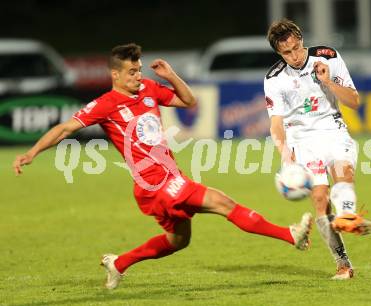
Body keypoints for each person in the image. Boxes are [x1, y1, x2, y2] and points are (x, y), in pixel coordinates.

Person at [13, 43, 313, 290]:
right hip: (153, 184)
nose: (137, 75)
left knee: (178, 241)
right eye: (131, 72)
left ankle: (119, 263)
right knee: (223, 202)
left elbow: (189, 101)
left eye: (139, 69)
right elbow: (65, 129)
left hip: (170, 176)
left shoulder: (148, 90)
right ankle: (291, 235)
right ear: (115, 75)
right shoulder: (104, 104)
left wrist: (171, 75)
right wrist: (32, 152)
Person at [264, 19, 371, 280]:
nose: (293, 55)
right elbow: (276, 124)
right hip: (301, 139)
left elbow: (354, 101)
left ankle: (347, 214)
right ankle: (343, 264)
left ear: (301, 38)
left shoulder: (328, 57)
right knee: (319, 200)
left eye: (296, 47)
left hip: (332, 129)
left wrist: (328, 82)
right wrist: (285, 156)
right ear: (278, 53)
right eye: (286, 52)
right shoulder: (274, 79)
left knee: (343, 171)